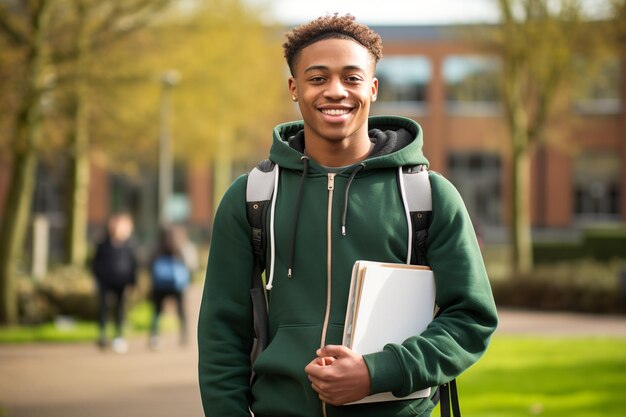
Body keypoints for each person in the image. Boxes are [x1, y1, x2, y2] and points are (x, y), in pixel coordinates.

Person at [198, 14, 498, 417]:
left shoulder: (427, 195)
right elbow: (221, 330)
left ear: (372, 89)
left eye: (351, 78)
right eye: (318, 78)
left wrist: (378, 372)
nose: (335, 91)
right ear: (294, 87)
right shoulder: (252, 196)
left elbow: (471, 319)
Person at [91, 212, 138, 354]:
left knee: (120, 308)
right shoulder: (103, 242)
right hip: (105, 281)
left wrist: (132, 282)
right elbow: (95, 262)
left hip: (122, 282)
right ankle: (102, 334)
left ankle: (119, 334)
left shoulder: (130, 244)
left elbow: (134, 264)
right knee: (104, 307)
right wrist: (98, 277)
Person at [148, 225, 193, 350]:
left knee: (157, 311)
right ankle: (184, 336)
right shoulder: (181, 247)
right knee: (181, 311)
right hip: (177, 284)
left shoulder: (157, 247)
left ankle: (154, 336)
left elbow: (149, 263)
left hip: (160, 285)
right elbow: (190, 265)